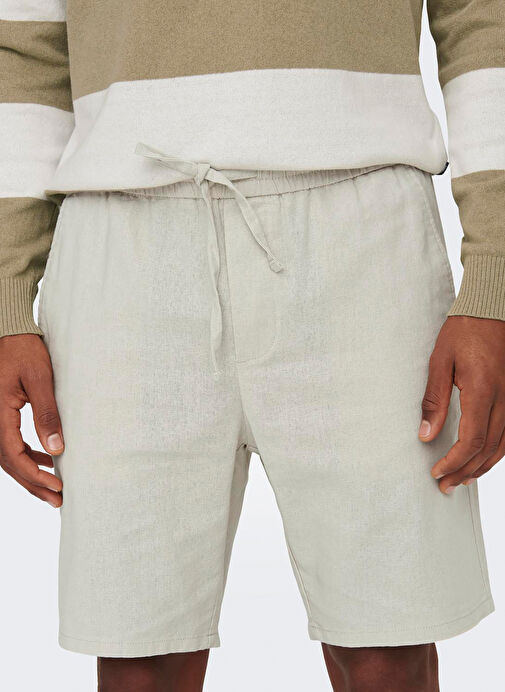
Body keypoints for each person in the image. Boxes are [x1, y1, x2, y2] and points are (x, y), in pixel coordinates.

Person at [0, 1, 503, 690]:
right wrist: (7, 301)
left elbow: (482, 17)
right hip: (120, 232)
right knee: (137, 652)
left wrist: (493, 285)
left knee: (387, 647)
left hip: (361, 231)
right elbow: (25, 51)